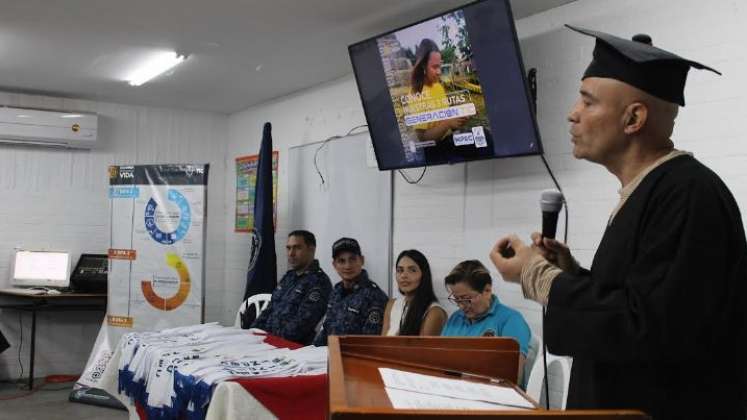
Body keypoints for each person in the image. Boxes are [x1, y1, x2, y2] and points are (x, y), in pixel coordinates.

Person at [490, 25, 746, 419]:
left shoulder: (688, 194)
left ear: (633, 119)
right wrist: (572, 273)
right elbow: (640, 298)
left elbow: (650, 329)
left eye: (588, 102)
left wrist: (540, 277)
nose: (572, 114)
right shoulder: (651, 191)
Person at [441, 260, 531, 379]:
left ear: (487, 291)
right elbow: (440, 360)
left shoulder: (511, 320)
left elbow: (512, 377)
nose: (461, 306)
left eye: (466, 299)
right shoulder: (456, 318)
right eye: (457, 299)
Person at [251, 230, 332, 345]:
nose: (291, 253)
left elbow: (301, 326)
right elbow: (269, 310)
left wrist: (267, 340)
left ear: (311, 249)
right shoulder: (288, 277)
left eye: (297, 248)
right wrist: (253, 332)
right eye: (288, 248)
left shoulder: (319, 283)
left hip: (290, 348)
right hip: (266, 341)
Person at [313, 237, 389, 346]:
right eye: (341, 261)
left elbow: (369, 344)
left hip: (352, 359)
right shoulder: (336, 291)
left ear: (362, 260)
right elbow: (326, 330)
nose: (347, 266)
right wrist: (311, 351)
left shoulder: (375, 297)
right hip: (326, 356)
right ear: (334, 265)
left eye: (352, 259)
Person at [409, 38, 471, 163]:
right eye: (435, 67)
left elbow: (445, 121)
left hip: (450, 140)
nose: (439, 72)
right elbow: (423, 140)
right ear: (423, 66)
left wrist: (458, 119)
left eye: (440, 66)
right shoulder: (416, 93)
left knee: (485, 137)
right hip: (434, 151)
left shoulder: (438, 86)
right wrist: (448, 123)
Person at [381, 250, 447, 336]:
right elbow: (383, 343)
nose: (404, 275)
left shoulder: (434, 312)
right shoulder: (392, 304)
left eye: (412, 270)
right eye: (400, 270)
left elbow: (421, 349)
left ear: (424, 275)